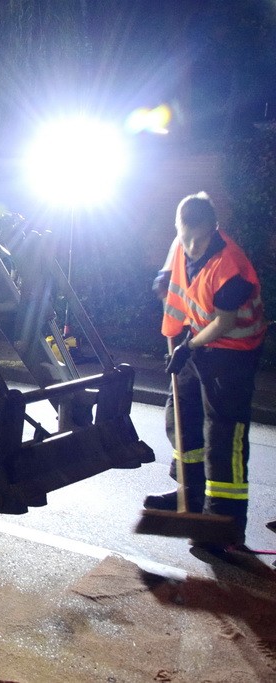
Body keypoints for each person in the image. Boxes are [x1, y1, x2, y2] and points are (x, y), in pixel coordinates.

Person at [143, 192, 265, 548]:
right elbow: (175, 270)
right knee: (180, 416)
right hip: (195, 341)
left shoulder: (232, 267)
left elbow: (225, 323)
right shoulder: (181, 241)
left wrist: (188, 346)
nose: (191, 246)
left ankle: (222, 525)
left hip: (232, 354)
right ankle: (189, 494)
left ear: (214, 228)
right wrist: (163, 277)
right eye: (185, 237)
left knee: (223, 439)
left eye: (199, 239)